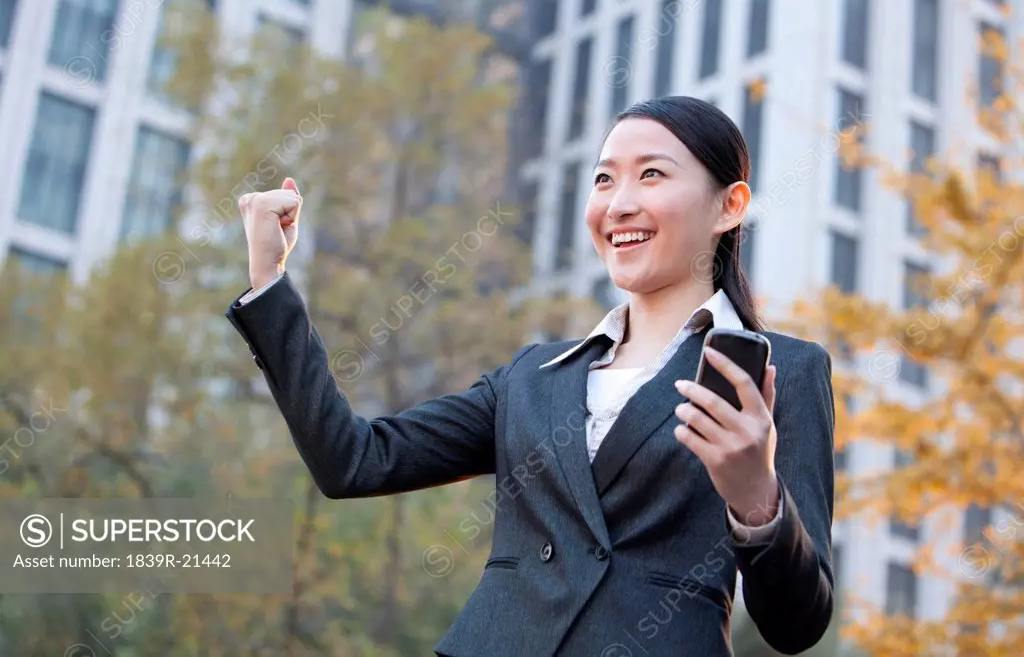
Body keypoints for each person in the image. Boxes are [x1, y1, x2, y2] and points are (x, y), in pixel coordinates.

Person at [225, 96, 835, 657]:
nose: (618, 203)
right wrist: (270, 285)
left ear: (730, 205)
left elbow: (795, 626)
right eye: (603, 178)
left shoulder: (780, 371)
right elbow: (352, 460)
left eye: (651, 173)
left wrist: (758, 500)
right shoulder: (533, 376)